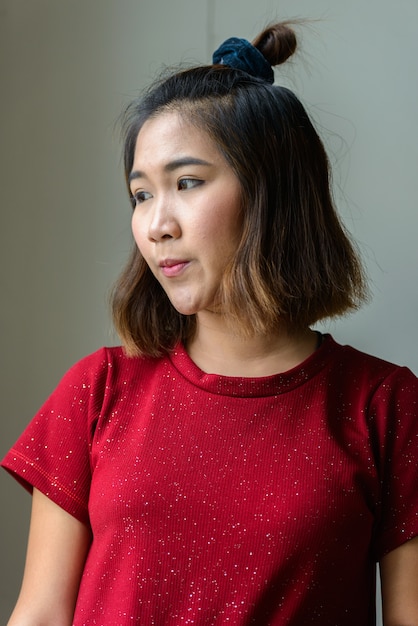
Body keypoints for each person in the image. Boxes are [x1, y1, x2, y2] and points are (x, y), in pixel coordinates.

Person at [2, 21, 418, 626]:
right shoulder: (97, 391)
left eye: (187, 183)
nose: (155, 225)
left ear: (273, 192)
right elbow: (39, 615)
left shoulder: (388, 407)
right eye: (141, 194)